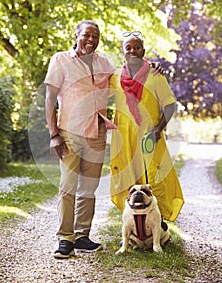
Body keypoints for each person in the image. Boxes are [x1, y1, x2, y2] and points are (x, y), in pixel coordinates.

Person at [45, 21, 163, 259]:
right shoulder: (60, 60)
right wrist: (54, 134)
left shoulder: (103, 63)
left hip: (97, 133)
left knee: (88, 188)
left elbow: (128, 78)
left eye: (95, 36)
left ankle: (82, 236)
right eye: (86, 35)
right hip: (69, 131)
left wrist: (150, 67)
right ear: (76, 36)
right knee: (68, 187)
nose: (91, 39)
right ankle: (65, 239)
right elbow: (50, 98)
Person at [110, 31, 184, 223]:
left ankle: (158, 223)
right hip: (125, 136)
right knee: (128, 178)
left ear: (143, 51)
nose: (132, 51)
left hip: (150, 135)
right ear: (123, 51)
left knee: (155, 176)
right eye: (128, 48)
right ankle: (134, 225)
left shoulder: (154, 74)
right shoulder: (115, 77)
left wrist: (158, 129)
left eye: (137, 47)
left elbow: (170, 105)